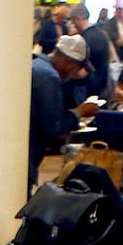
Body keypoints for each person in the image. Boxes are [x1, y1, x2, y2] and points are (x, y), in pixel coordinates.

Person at [28, 34, 90, 189]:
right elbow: (54, 127)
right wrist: (79, 112)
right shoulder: (49, 77)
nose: (75, 74)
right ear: (69, 63)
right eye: (77, 68)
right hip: (27, 154)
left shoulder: (38, 65)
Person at [68, 3, 113, 104]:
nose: (72, 24)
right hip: (102, 88)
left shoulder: (85, 40)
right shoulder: (101, 34)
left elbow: (83, 72)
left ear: (78, 18)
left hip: (86, 91)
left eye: (72, 20)